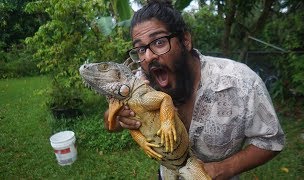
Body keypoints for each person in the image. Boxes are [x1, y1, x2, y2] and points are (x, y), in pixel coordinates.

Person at [104, 0, 285, 179]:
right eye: (141, 49)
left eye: (159, 42)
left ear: (185, 40)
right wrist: (120, 118)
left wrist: (224, 169)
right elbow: (110, 122)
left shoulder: (241, 83)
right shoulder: (138, 84)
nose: (148, 56)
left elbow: (271, 140)